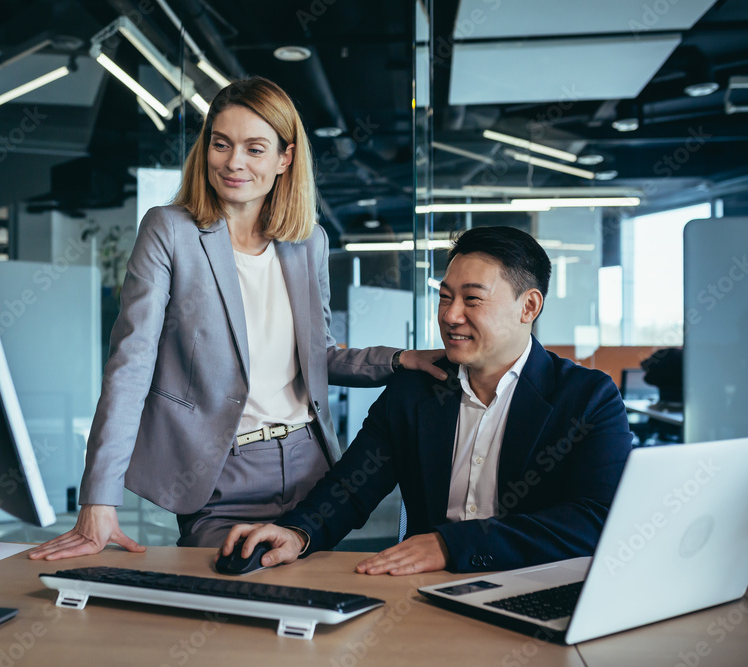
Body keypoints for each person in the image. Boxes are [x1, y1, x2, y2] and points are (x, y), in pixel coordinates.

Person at [29, 76, 445, 559]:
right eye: (221, 144)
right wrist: (99, 496)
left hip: (310, 468)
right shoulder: (170, 231)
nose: (234, 162)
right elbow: (131, 365)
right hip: (218, 474)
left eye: (254, 148)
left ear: (285, 158)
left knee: (306, 611)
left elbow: (319, 357)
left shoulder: (308, 241)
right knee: (232, 600)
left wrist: (398, 361)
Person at [218, 225, 634, 575]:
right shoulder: (416, 390)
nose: (451, 315)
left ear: (528, 307)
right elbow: (351, 487)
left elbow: (595, 520)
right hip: (425, 592)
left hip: (531, 586)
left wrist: (451, 545)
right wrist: (298, 532)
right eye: (445, 296)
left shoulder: (587, 398)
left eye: (472, 299)